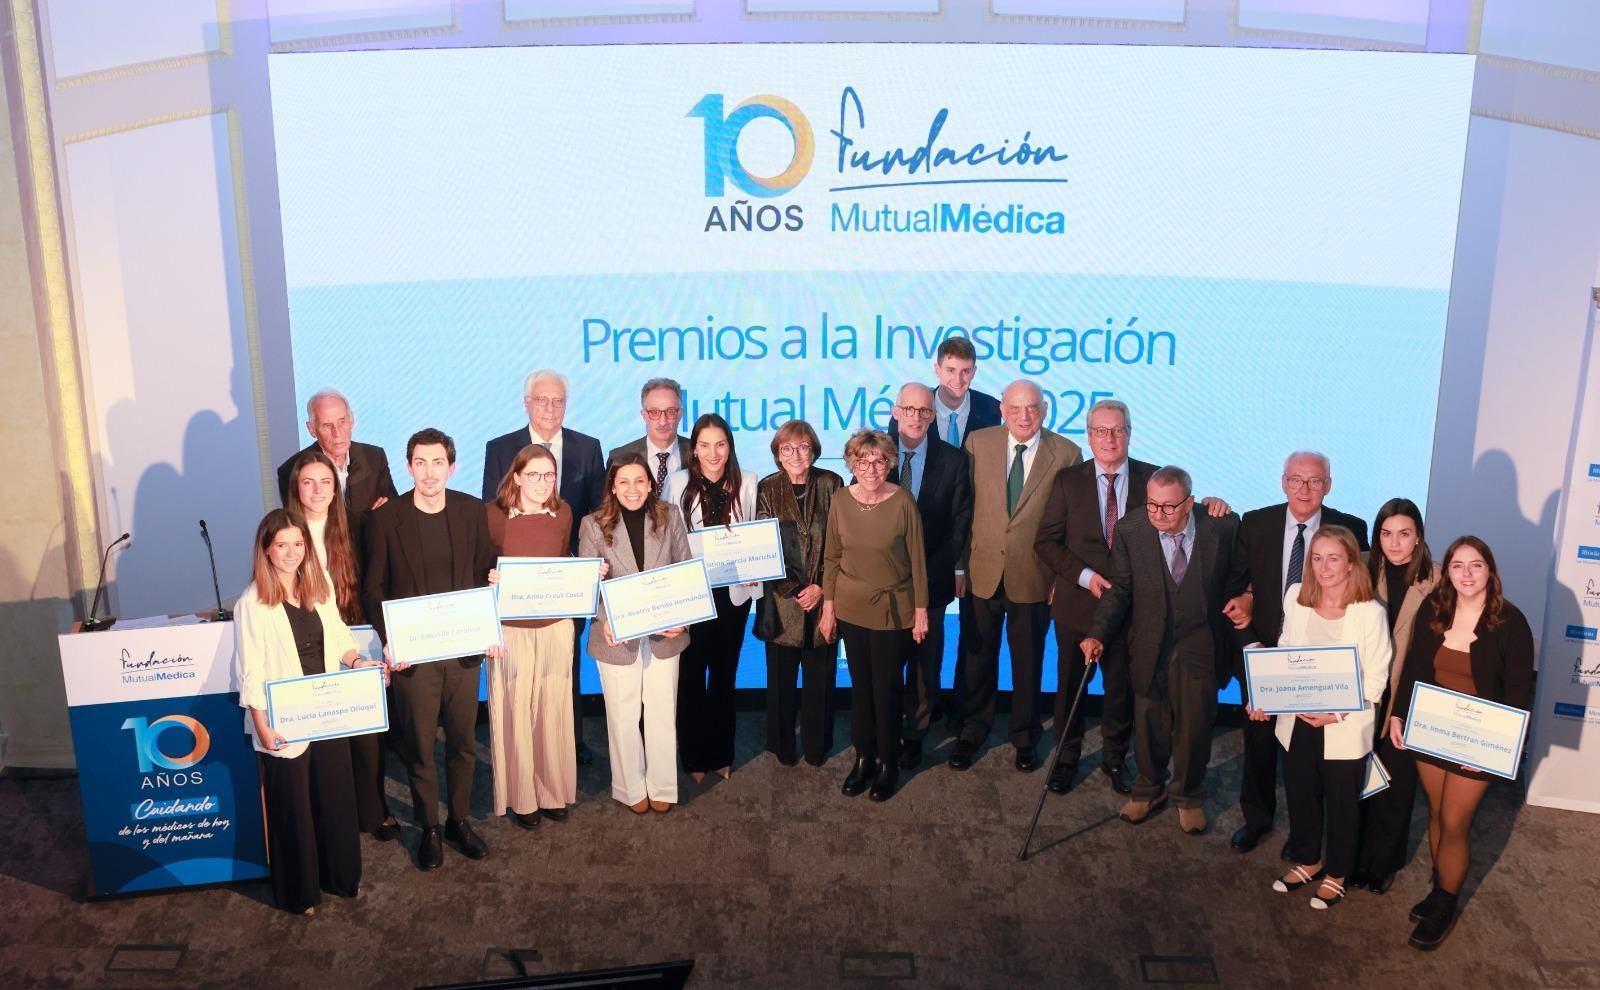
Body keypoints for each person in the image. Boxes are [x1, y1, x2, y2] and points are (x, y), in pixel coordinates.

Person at [1036, 400, 1233, 797]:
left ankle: (1114, 759)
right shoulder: (1067, 480)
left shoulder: (1152, 478)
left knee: (1123, 691)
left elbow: (1183, 512)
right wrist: (1087, 577)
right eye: (1100, 431)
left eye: (1117, 430)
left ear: (1129, 432)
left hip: (1137, 612)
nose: (1109, 439)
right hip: (1079, 605)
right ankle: (1066, 760)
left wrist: (1214, 504)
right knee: (1069, 687)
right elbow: (1046, 542)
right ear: (1089, 436)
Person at [364, 428, 500, 870]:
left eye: (437, 462)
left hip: (462, 654)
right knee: (420, 748)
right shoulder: (388, 518)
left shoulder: (469, 511)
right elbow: (374, 589)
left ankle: (459, 820)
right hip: (413, 658)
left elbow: (484, 569)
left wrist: (494, 583)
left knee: (463, 744)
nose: (428, 471)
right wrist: (391, 641)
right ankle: (430, 827)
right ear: (408, 467)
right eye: (420, 463)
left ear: (452, 466)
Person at [1389, 536, 1533, 949]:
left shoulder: (1510, 622)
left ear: (1490, 571)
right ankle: (1439, 892)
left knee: (1455, 821)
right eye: (1457, 566)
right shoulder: (1435, 610)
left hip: (1481, 739)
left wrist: (1494, 749)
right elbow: (1414, 667)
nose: (1466, 574)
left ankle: (1446, 904)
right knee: (1436, 812)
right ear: (1447, 571)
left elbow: (1519, 693)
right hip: (1433, 729)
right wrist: (1400, 714)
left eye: (1476, 565)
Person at [1223, 451, 1370, 855]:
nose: (1305, 489)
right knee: (1259, 744)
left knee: (1308, 754)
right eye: (1297, 480)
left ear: (1329, 484)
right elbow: (1235, 591)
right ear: (1283, 482)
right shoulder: (1255, 523)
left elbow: (1361, 597)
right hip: (1264, 653)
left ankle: (1306, 835)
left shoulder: (1352, 528)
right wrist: (1252, 651)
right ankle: (1256, 819)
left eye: (1315, 481)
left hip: (1322, 665)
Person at [1080, 467, 1240, 835]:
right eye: (1153, 505)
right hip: (1149, 642)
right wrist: (1097, 633)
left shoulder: (1222, 526)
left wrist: (1245, 598)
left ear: (1190, 502)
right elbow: (1119, 589)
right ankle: (1148, 790)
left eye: (1169, 507)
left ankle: (1189, 795)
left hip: (1200, 643)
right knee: (1149, 722)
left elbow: (1238, 577)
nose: (1159, 515)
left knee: (1195, 725)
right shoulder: (1130, 530)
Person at [235, 508, 372, 915]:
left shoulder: (320, 583)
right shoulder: (252, 603)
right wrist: (261, 726)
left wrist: (358, 663)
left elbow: (341, 638)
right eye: (282, 545)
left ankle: (340, 877)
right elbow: (251, 669)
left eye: (298, 544)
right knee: (293, 808)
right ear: (266, 549)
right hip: (282, 719)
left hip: (328, 710)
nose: (292, 552)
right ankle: (300, 893)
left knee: (335, 797)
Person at [1251, 526, 1391, 910]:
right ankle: (1309, 860)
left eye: (1333, 558)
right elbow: (1284, 651)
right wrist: (1266, 695)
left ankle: (1338, 872)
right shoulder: (1296, 597)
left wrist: (1338, 711)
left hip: (1343, 723)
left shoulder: (1370, 612)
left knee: (1342, 802)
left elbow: (1377, 677)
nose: (1324, 567)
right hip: (1296, 720)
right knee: (1300, 793)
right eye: (1317, 557)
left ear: (1351, 563)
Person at [949, 380, 1082, 773]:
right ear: (1002, 410)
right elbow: (963, 510)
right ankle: (972, 730)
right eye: (1016, 408)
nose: (1025, 416)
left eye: (1033, 408)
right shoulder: (978, 443)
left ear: (1045, 410)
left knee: (1028, 662)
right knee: (977, 658)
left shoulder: (1067, 453)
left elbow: (1071, 525)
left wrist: (1062, 579)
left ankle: (1024, 736)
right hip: (981, 572)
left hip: (1036, 577)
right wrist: (959, 567)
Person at [482, 370, 605, 768]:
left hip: (566, 587)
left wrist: (577, 573)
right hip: (516, 595)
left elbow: (595, 515)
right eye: (542, 400)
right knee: (521, 680)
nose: (550, 408)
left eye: (558, 401)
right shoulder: (500, 448)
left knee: (564, 666)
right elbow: (493, 516)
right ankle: (525, 756)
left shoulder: (589, 447)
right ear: (526, 403)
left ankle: (569, 739)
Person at [286, 451, 400, 843]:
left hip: (356, 633)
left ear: (337, 488)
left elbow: (374, 583)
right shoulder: (283, 532)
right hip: (302, 643)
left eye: (326, 482)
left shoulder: (356, 527)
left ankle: (373, 810)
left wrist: (383, 640)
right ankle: (329, 813)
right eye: (308, 482)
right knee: (322, 732)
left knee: (366, 733)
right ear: (296, 488)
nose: (318, 491)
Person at [887, 338, 1000, 732]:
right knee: (906, 649)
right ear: (937, 369)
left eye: (966, 370)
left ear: (975, 371)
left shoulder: (991, 411)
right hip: (902, 555)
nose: (958, 378)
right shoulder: (910, 408)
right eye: (950, 369)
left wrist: (956, 563)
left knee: (964, 638)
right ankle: (911, 715)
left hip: (968, 539)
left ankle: (959, 718)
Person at [578, 454, 693, 813]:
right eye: (624, 482)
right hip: (617, 637)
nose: (632, 489)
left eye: (639, 481)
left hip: (664, 634)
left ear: (650, 484)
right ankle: (630, 788)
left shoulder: (670, 515)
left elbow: (685, 571)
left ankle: (661, 785)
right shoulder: (592, 525)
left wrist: (683, 619)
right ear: (612, 486)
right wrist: (604, 619)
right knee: (623, 716)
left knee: (661, 713)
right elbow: (587, 586)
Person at [820, 430, 928, 801]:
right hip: (850, 609)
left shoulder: (903, 502)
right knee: (861, 690)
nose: (871, 468)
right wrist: (828, 608)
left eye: (879, 461)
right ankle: (864, 759)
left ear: (890, 463)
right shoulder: (839, 501)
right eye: (863, 461)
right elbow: (832, 558)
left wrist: (921, 611)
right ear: (851, 463)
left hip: (892, 611)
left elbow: (918, 561)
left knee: (887, 689)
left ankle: (888, 764)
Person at [486, 444, 582, 829]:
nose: (542, 483)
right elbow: (479, 571)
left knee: (553, 710)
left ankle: (552, 791)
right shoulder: (492, 517)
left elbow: (562, 562)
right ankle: (522, 797)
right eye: (534, 475)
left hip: (556, 628)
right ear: (517, 476)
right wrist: (488, 580)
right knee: (515, 713)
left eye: (549, 475)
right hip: (511, 631)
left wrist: (584, 572)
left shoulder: (564, 513)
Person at [665, 414, 761, 781]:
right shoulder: (677, 484)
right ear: (694, 449)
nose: (712, 453)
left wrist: (756, 575)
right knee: (690, 677)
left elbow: (756, 534)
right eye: (704, 445)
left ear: (730, 446)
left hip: (733, 596)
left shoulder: (748, 482)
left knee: (724, 677)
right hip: (691, 595)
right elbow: (668, 539)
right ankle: (693, 758)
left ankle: (721, 754)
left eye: (720, 444)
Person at [1350, 499, 1438, 893]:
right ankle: (1350, 858)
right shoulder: (1363, 567)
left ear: (1418, 534)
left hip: (1409, 694)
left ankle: (1382, 864)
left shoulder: (1437, 579)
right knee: (1354, 780)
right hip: (1363, 691)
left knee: (1395, 784)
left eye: (1404, 534)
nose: (1395, 543)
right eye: (1386, 534)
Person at [887, 384, 971, 769]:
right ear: (895, 411)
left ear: (933, 416)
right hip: (882, 585)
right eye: (909, 409)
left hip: (932, 581)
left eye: (924, 411)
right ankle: (884, 730)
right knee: (885, 664)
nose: (916, 417)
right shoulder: (876, 453)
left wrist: (943, 568)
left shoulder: (953, 460)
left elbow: (959, 522)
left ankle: (915, 735)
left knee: (925, 666)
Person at [754, 420, 843, 767]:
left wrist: (820, 586)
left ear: (814, 450)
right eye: (787, 448)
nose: (795, 454)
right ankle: (782, 745)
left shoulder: (832, 484)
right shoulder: (767, 488)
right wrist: (795, 589)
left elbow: (840, 542)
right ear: (778, 453)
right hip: (781, 601)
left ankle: (817, 744)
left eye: (803, 447)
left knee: (821, 679)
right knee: (780, 682)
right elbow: (764, 548)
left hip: (825, 597)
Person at [275, 389, 398, 546]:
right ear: (312, 429)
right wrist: (372, 519)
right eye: (327, 425)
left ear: (351, 420)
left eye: (342, 422)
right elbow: (299, 529)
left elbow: (391, 509)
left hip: (371, 554)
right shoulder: (292, 470)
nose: (337, 433)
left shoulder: (374, 457)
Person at [608, 377, 693, 495]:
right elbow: (608, 506)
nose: (663, 421)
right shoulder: (620, 457)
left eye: (670, 412)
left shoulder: (698, 453)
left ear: (680, 414)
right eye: (654, 413)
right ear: (643, 415)